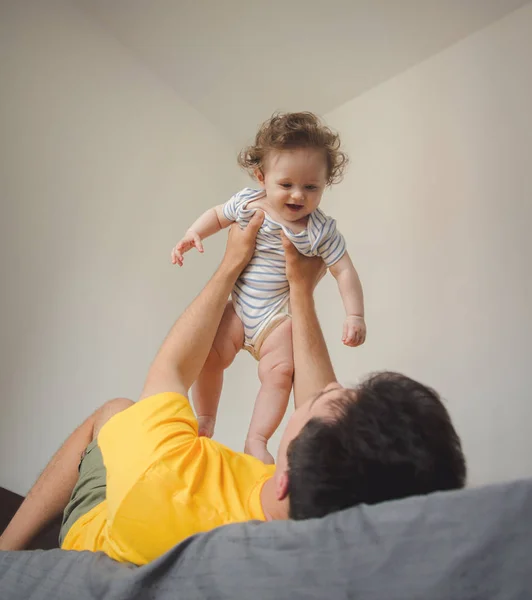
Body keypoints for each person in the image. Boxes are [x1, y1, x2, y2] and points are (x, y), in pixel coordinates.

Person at [0, 213, 466, 565]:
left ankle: (5, 551)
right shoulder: (320, 516)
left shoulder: (162, 470)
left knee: (116, 410)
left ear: (284, 480)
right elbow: (319, 403)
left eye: (324, 398)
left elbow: (172, 369)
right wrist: (299, 289)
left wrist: (231, 263)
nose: (327, 386)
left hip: (112, 518)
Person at [171, 112, 366, 464]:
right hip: (239, 308)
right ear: (262, 177)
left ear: (324, 185)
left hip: (275, 320)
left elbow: (345, 271)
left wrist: (355, 314)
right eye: (286, 184)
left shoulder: (320, 230)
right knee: (207, 357)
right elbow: (217, 215)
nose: (298, 196)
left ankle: (256, 439)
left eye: (311, 187)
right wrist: (193, 233)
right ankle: (206, 417)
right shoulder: (249, 202)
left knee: (281, 374)